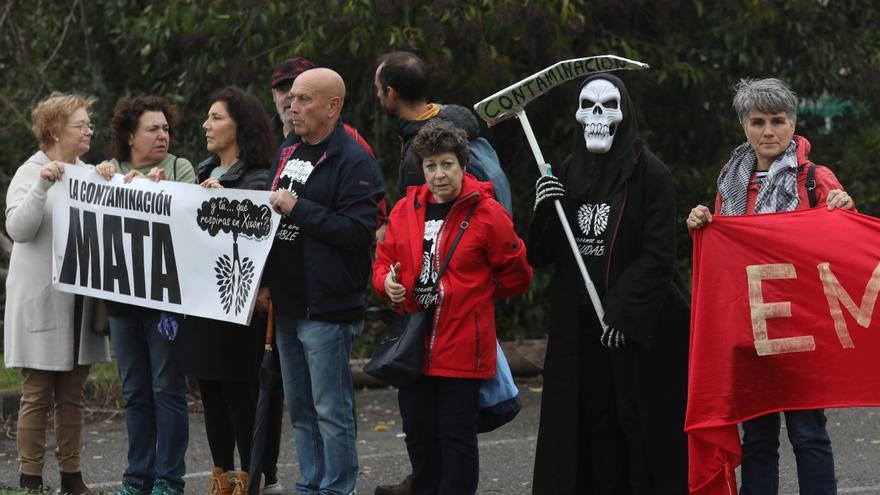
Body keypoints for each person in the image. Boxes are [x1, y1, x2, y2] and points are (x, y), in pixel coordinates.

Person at [687, 77, 854, 495]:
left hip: (801, 330)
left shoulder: (816, 178)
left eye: (777, 121)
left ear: (792, 124)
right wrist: (703, 223)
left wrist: (843, 208)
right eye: (758, 121)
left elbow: (846, 246)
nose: (768, 131)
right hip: (749, 328)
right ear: (744, 125)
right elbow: (727, 253)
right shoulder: (731, 178)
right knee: (757, 439)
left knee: (809, 433)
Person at [528, 74, 691, 494]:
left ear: (625, 114)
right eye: (588, 107)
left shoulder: (651, 175)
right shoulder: (569, 169)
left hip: (633, 329)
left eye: (608, 106)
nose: (597, 118)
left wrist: (622, 312)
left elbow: (659, 255)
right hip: (581, 325)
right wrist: (546, 208)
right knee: (591, 419)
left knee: (634, 421)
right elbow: (544, 253)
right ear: (579, 116)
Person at [372, 120, 531, 495]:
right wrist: (387, 284)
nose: (439, 174)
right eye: (430, 166)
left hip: (462, 346)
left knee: (456, 438)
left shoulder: (488, 213)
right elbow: (382, 261)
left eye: (447, 164)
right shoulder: (404, 209)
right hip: (412, 346)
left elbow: (517, 276)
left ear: (463, 165)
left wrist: (475, 298)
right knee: (419, 436)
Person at [265, 67, 385, 495]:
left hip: (327, 306)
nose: (292, 106)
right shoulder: (288, 150)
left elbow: (357, 233)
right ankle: (311, 484)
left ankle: (337, 487)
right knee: (300, 408)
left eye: (304, 100)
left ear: (333, 106)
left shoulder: (355, 160)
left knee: (331, 409)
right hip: (288, 302)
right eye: (291, 98)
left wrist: (299, 209)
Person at [5, 93, 110, 495]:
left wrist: (110, 184)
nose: (89, 131)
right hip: (42, 299)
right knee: (36, 393)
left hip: (78, 303)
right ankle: (30, 477)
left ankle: (72, 475)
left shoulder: (88, 172)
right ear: (54, 131)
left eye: (89, 125)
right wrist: (42, 185)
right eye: (80, 125)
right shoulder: (29, 171)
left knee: (72, 394)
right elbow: (19, 229)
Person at [95, 96, 196, 495]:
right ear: (129, 136)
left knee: (165, 387)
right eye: (153, 129)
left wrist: (163, 190)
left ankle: (169, 478)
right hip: (122, 300)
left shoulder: (178, 168)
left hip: (165, 300)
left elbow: (191, 215)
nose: (162, 135)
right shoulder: (109, 172)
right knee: (135, 390)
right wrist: (99, 179)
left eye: (166, 128)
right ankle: (137, 475)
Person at [179, 87, 275, 495]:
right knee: (211, 394)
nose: (207, 125)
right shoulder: (203, 171)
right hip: (201, 303)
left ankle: (253, 481)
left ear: (240, 126)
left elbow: (261, 235)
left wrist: (231, 203)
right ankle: (222, 477)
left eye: (216, 117)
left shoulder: (258, 176)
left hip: (239, 305)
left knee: (240, 395)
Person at [374, 51, 510, 210]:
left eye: (378, 88)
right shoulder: (455, 120)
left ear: (391, 93)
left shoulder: (423, 150)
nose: (378, 94)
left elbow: (418, 219)